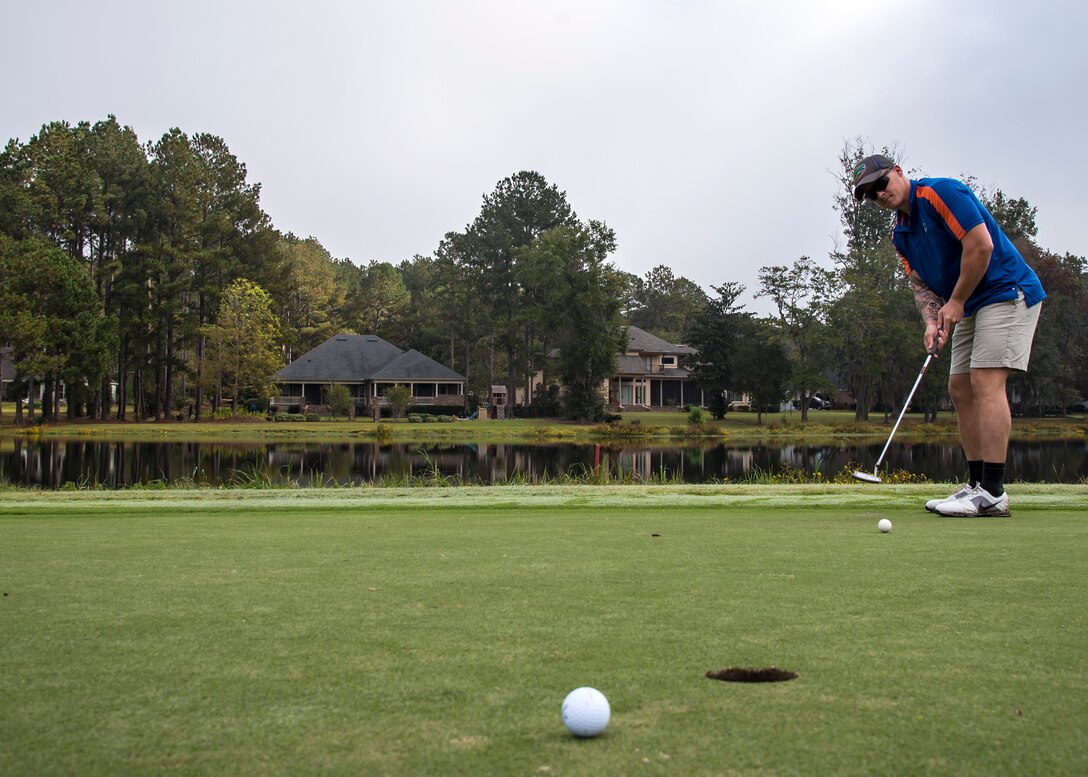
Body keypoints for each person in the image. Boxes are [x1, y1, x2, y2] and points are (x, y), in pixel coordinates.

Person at [853, 154, 1046, 517]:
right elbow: (921, 285)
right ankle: (975, 485)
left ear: (898, 172)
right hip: (971, 303)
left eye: (881, 183)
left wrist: (955, 302)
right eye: (869, 193)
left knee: (984, 381)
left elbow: (981, 246)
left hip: (1007, 291)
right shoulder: (901, 234)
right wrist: (931, 320)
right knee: (959, 387)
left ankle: (993, 491)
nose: (879, 194)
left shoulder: (940, 192)